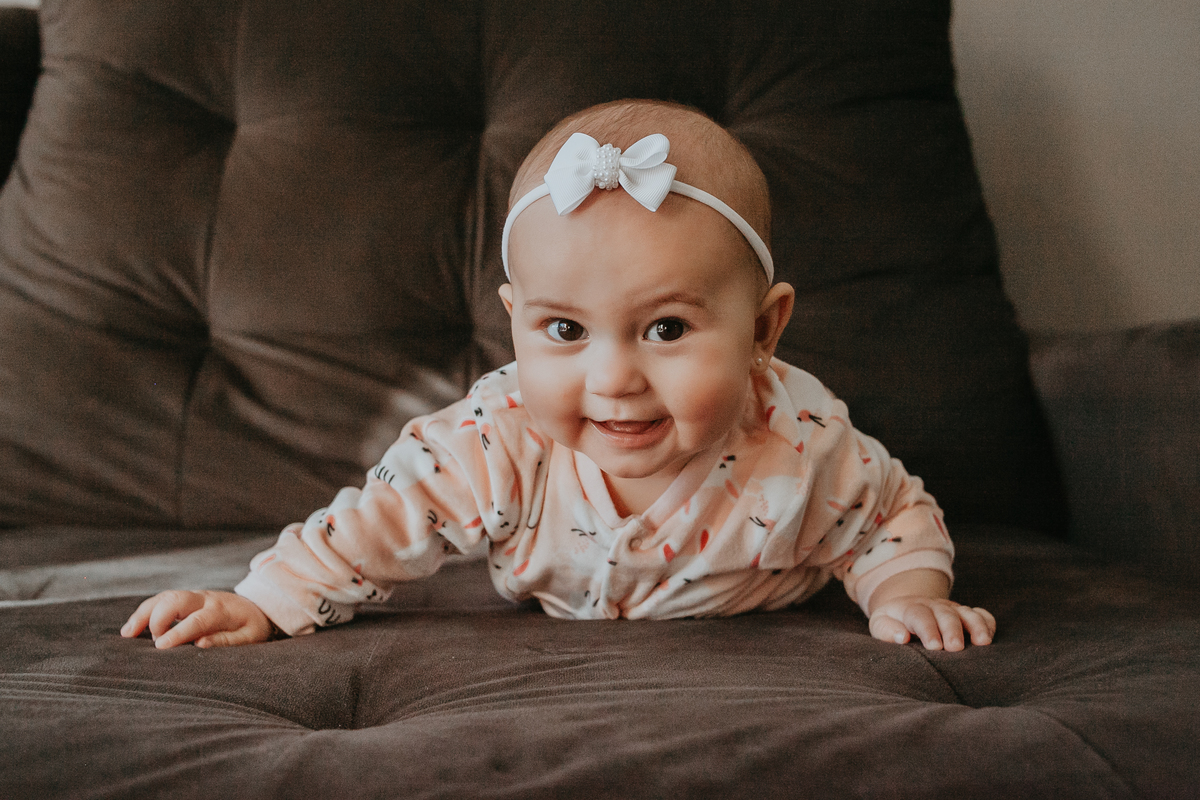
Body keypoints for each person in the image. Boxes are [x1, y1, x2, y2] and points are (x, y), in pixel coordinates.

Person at [122, 99, 996, 652]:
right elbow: (380, 521)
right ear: (515, 322)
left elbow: (893, 515)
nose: (613, 377)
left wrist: (907, 595)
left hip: (760, 604)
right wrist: (263, 603)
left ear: (764, 330)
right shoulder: (494, 438)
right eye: (566, 330)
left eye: (665, 329)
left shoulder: (800, 445)